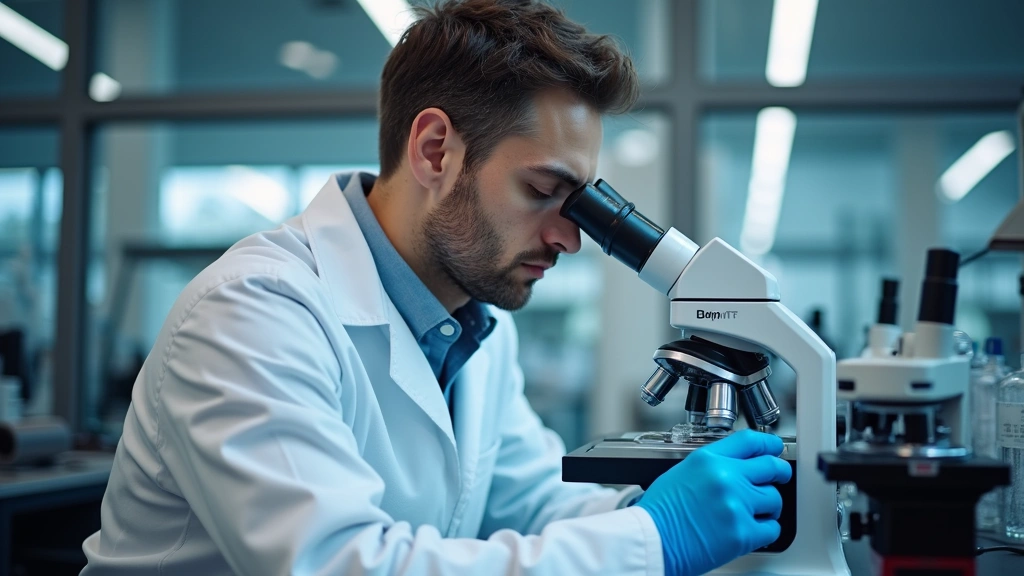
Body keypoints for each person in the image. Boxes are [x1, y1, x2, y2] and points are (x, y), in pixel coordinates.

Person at [81, 1, 791, 575]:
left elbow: (532, 504)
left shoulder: (480, 325)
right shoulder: (252, 312)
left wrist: (657, 509)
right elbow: (341, 565)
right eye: (545, 191)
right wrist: (653, 540)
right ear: (435, 151)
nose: (570, 237)